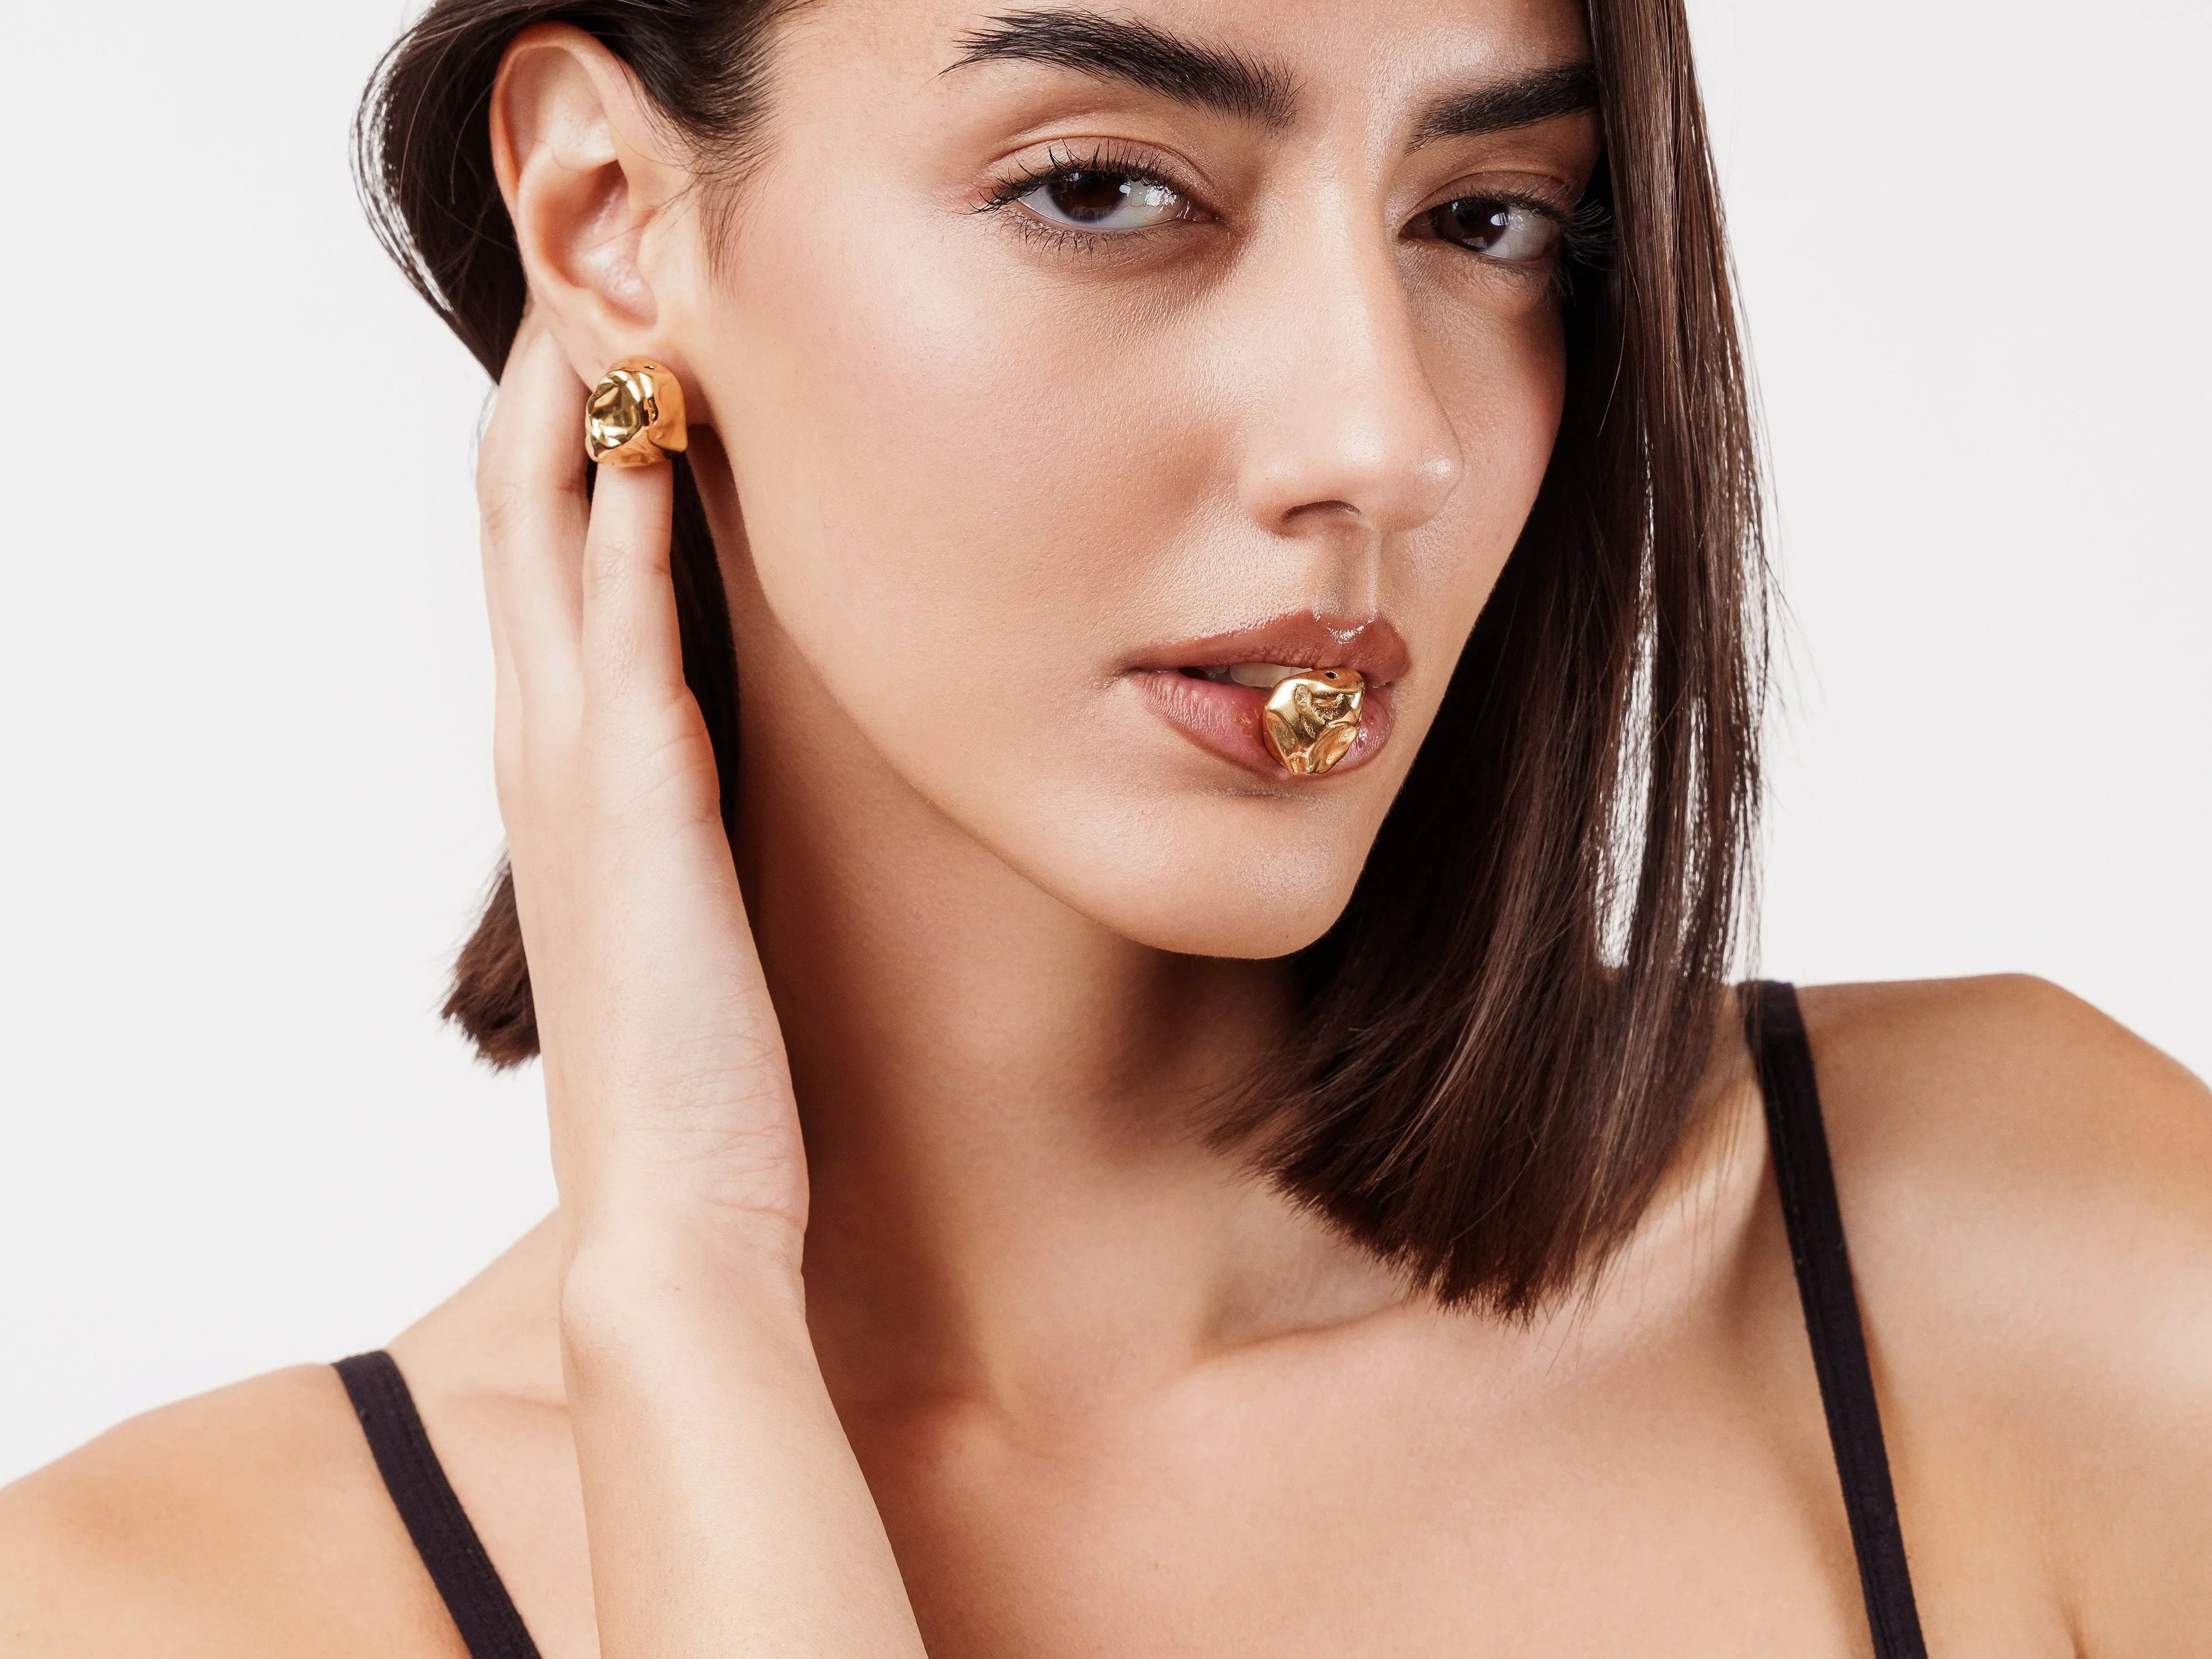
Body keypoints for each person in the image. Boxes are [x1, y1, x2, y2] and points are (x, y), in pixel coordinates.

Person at [3, 0, 2207, 1653]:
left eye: (1484, 216)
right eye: (1099, 188)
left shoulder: (2041, 1284)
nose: (1384, 434)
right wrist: (683, 1309)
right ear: (606, 217)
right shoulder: (161, 1607)